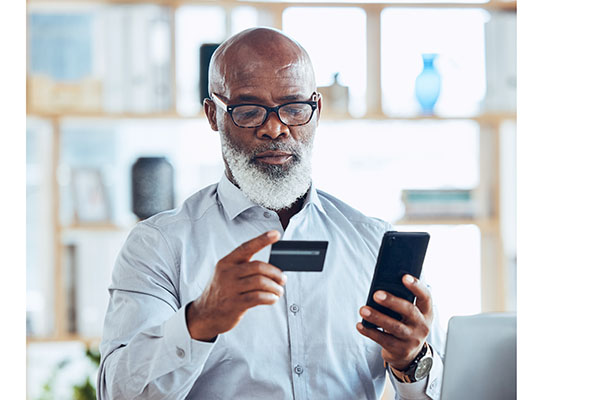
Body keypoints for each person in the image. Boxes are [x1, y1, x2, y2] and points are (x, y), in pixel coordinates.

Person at [98, 27, 445, 400]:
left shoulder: (371, 241)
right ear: (213, 114)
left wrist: (412, 361)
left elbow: (445, 388)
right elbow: (117, 392)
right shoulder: (160, 245)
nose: (275, 128)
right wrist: (199, 321)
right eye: (249, 111)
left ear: (317, 111)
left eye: (294, 109)